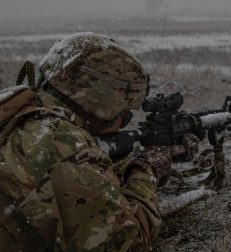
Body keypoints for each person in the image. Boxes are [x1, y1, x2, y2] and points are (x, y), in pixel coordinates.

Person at [0, 32, 199, 251]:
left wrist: (122, 165)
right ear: (102, 103)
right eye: (124, 114)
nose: (123, 122)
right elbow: (129, 243)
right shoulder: (65, 148)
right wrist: (146, 172)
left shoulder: (19, 106)